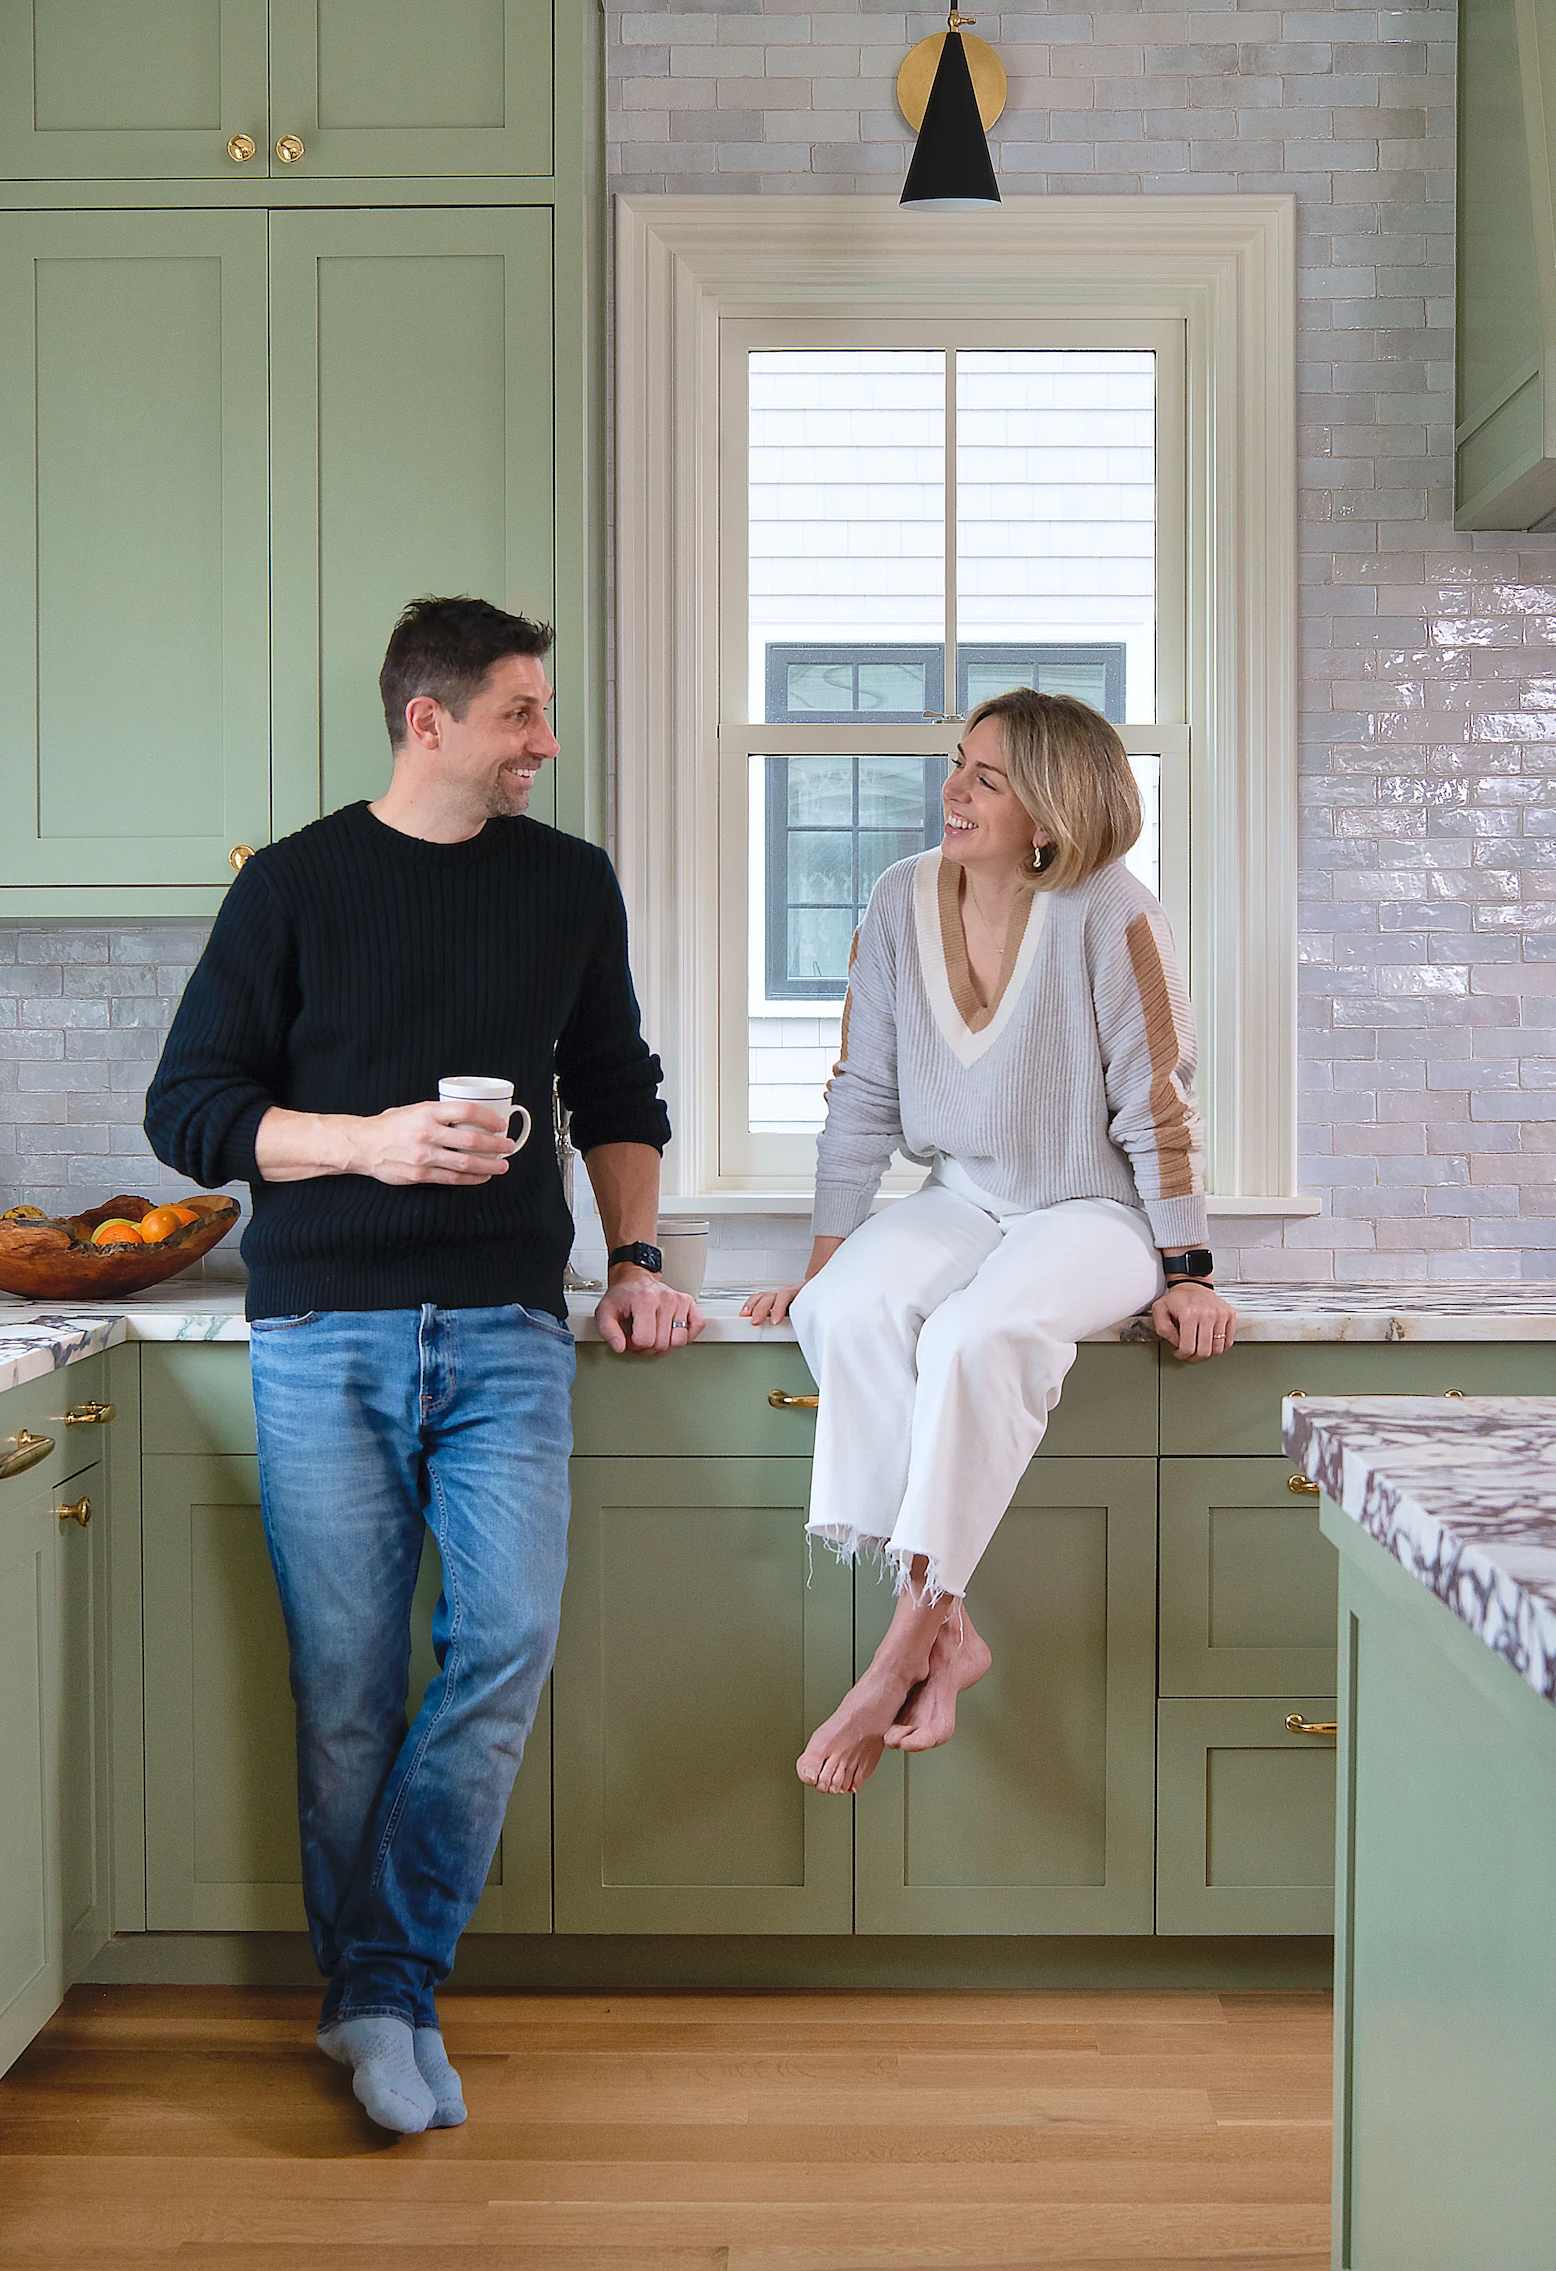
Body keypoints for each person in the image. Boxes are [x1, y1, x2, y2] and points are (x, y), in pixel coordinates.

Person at [145, 595, 702, 2135]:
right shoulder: (295, 888)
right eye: (525, 714)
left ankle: (379, 1988)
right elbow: (188, 1109)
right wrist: (369, 1144)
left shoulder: (567, 885)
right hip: (322, 1334)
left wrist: (638, 1261)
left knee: (505, 1640)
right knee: (342, 1695)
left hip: (513, 1330)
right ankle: (379, 2009)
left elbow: (615, 1086)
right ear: (430, 721)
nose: (548, 742)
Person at [744, 688, 1236, 1797]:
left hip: (1093, 1212)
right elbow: (861, 1094)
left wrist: (1186, 1269)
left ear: (1050, 814)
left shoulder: (1113, 915)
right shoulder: (895, 899)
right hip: (960, 1195)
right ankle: (948, 1630)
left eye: (983, 779)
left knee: (976, 1337)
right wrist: (825, 1258)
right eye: (955, 765)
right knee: (844, 1312)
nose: (949, 792)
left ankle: (894, 1655)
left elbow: (1156, 1101)